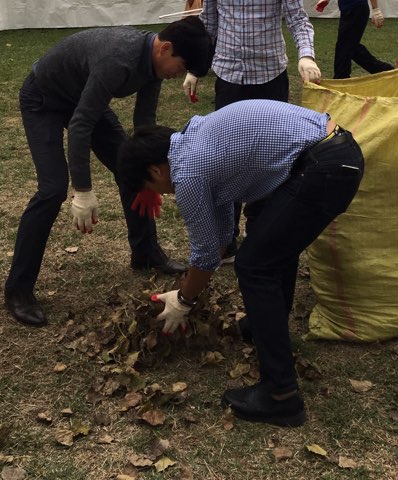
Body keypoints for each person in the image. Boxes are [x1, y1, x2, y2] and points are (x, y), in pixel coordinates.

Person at [117, 100, 364, 427]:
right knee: (270, 244)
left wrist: (184, 300)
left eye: (153, 188)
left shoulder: (187, 172)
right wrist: (198, 276)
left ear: (155, 170)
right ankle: (268, 325)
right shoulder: (196, 141)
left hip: (323, 167)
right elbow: (220, 236)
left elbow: (206, 255)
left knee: (253, 265)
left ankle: (281, 396)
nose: (164, 194)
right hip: (336, 153)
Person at [4, 19, 213, 327]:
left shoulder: (154, 65)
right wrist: (84, 191)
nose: (177, 76)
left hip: (85, 97)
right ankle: (18, 291)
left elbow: (144, 123)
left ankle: (144, 252)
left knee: (130, 165)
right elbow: (80, 125)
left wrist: (145, 176)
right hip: (44, 99)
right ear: (165, 48)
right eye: (180, 68)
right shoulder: (118, 58)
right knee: (52, 189)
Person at [182, 0, 322, 256]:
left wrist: (305, 55)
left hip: (269, 77)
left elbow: (297, 19)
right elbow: (209, 26)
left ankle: (262, 232)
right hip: (229, 77)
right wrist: (196, 69)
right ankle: (227, 237)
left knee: (272, 157)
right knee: (224, 157)